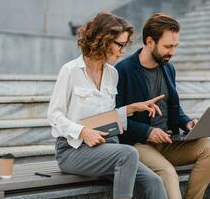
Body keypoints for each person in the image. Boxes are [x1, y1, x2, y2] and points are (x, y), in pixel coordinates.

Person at [47, 12, 168, 199]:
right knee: (128, 153)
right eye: (120, 45)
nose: (123, 51)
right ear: (103, 40)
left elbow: (106, 118)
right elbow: (54, 115)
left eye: (125, 45)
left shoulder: (112, 73)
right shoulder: (70, 71)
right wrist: (82, 132)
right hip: (73, 150)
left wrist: (132, 109)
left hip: (106, 148)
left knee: (155, 182)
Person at [115, 13, 210, 199]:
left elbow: (173, 107)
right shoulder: (123, 70)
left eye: (175, 46)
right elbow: (116, 118)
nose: (172, 52)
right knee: (168, 172)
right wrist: (148, 132)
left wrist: (187, 123)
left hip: (168, 142)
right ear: (150, 41)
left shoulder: (168, 68)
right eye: (168, 46)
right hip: (138, 144)